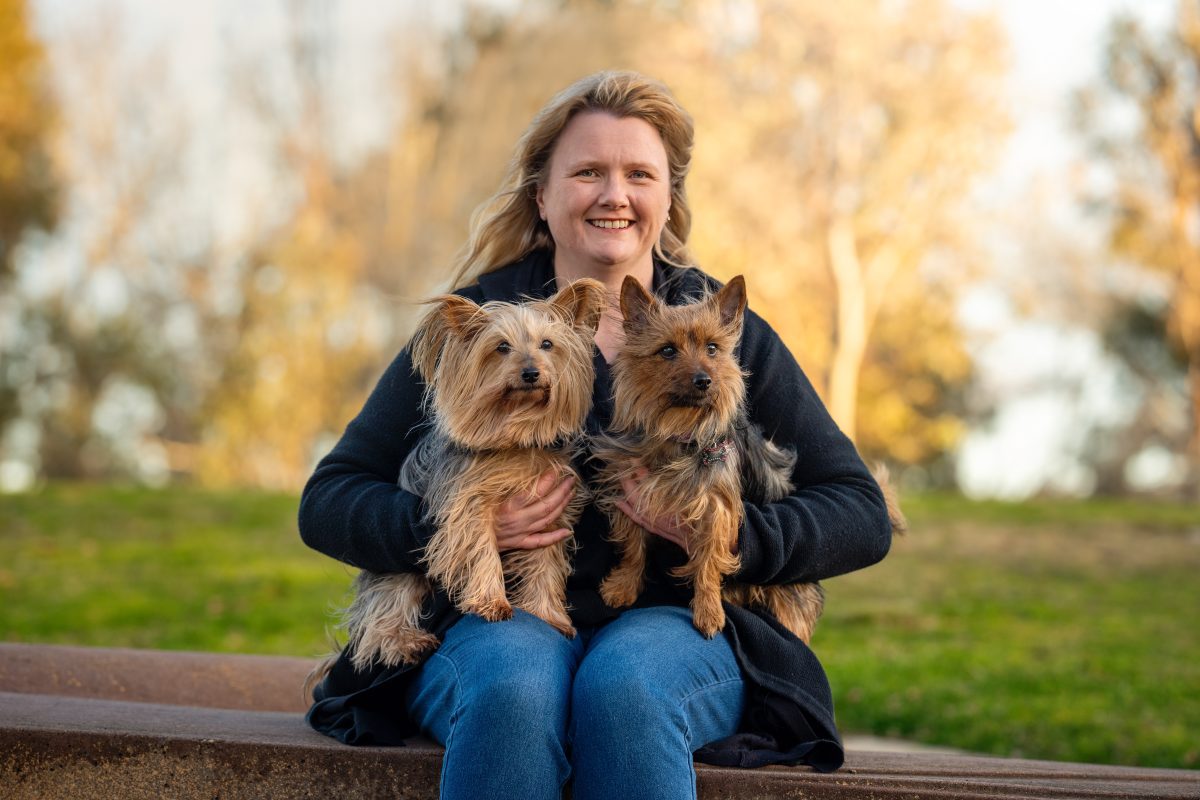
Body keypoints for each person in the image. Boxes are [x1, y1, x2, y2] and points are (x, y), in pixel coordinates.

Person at [299, 70, 893, 799]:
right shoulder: (477, 325)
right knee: (515, 690)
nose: (614, 194)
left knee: (627, 691)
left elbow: (860, 512)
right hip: (490, 621)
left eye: (639, 174)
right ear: (542, 198)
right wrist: (461, 521)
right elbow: (328, 499)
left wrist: (730, 541)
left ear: (667, 200)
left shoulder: (721, 337)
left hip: (676, 625)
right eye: (587, 172)